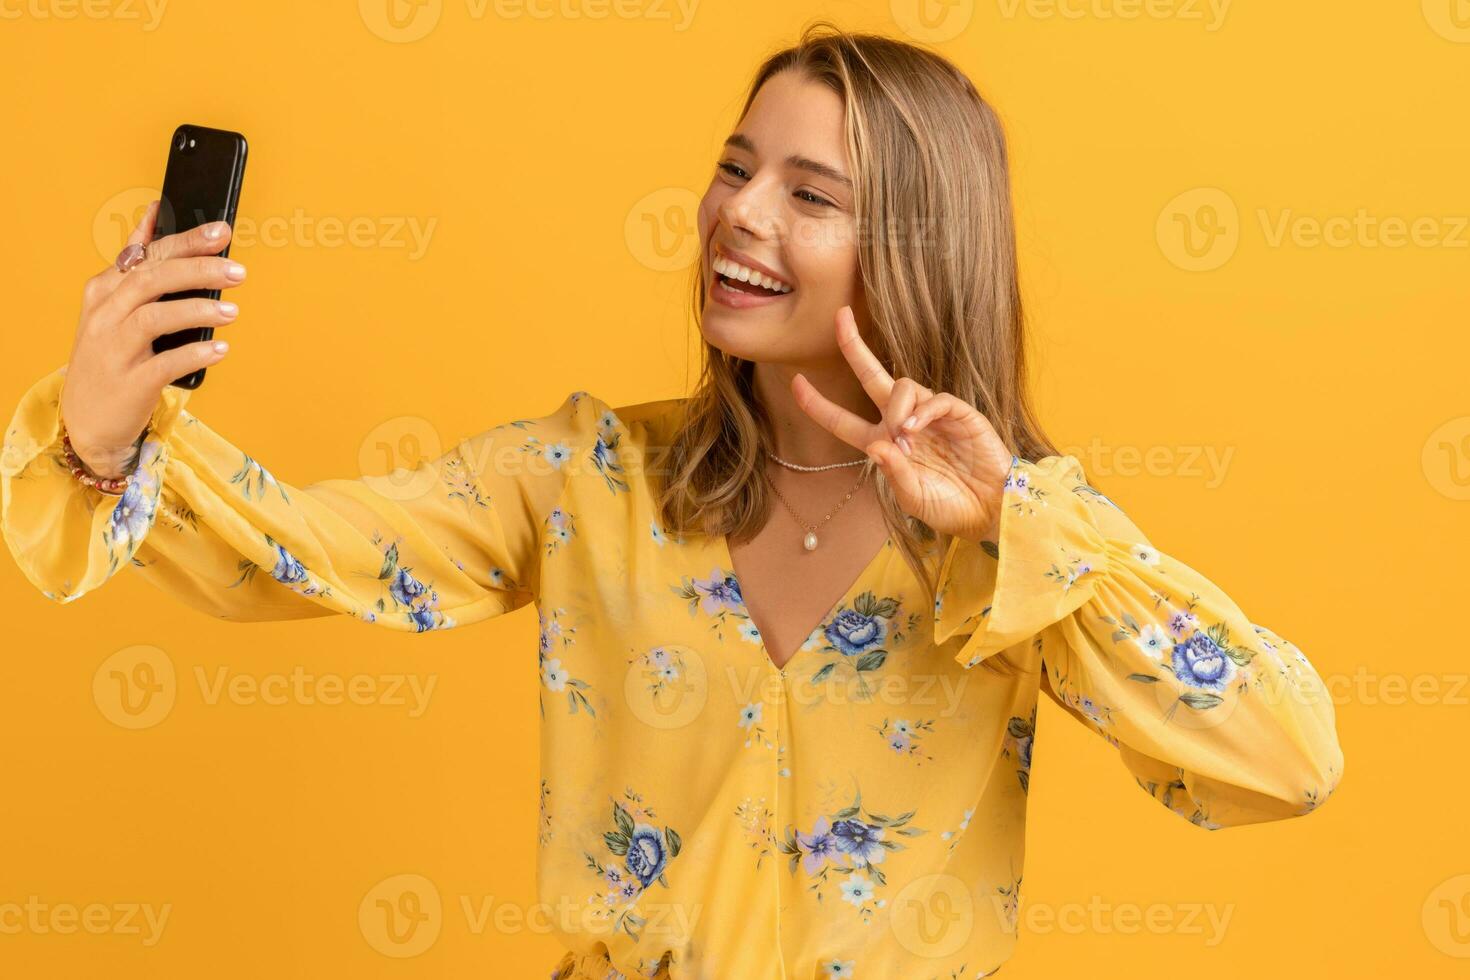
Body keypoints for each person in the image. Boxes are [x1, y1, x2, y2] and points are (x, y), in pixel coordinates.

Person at [0, 22, 1342, 980]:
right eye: (734, 165)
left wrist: (1015, 522)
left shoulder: (1027, 544)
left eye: (808, 194)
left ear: (919, 249)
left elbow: (1282, 764)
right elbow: (303, 556)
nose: (736, 215)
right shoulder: (585, 477)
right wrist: (106, 434)